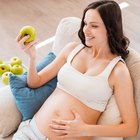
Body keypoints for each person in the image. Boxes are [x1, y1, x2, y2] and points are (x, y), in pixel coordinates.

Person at [13, 0, 138, 140]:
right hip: (30, 132)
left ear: (110, 29)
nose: (86, 30)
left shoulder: (117, 71)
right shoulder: (72, 49)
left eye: (94, 26)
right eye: (85, 23)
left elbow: (130, 127)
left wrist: (86, 130)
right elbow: (35, 82)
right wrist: (32, 57)